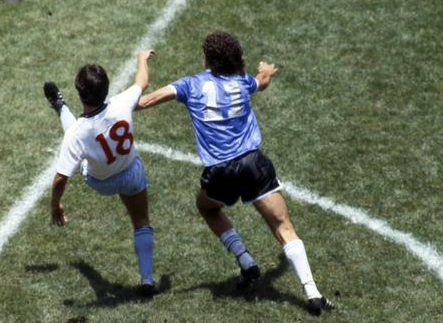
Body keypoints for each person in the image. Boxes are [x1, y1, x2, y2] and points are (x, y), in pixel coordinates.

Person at [137, 31, 334, 315]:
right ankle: (312, 293)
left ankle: (244, 259)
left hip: (221, 173)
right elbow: (262, 82)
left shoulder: (191, 85)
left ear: (209, 59)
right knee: (283, 227)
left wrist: (143, 64)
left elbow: (141, 102)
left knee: (207, 208)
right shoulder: (242, 82)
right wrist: (265, 71)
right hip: (255, 165)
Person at [43, 50, 158, 296]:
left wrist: (56, 206)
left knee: (76, 141)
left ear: (79, 92)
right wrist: (141, 58)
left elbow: (61, 177)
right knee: (141, 223)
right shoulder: (122, 101)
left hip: (100, 181)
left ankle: (60, 107)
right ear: (107, 87)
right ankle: (147, 279)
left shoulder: (77, 134)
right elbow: (142, 81)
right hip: (130, 172)